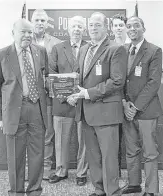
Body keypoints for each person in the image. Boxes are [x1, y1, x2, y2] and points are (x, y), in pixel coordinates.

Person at [67, 12, 127, 196]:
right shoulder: (85, 49)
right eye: (91, 25)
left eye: (97, 25)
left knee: (109, 156)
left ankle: (112, 191)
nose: (93, 28)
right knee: (93, 155)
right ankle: (99, 189)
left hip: (106, 112)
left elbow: (117, 81)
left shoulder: (116, 49)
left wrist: (88, 93)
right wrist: (74, 94)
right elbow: (80, 78)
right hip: (86, 112)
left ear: (106, 27)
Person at [0, 18, 48, 196]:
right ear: (13, 33)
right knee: (15, 155)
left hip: (37, 108)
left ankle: (35, 190)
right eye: (23, 31)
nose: (27, 35)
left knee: (37, 154)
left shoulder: (41, 51)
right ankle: (16, 191)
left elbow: (45, 79)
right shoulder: (1, 54)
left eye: (30, 32)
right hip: (14, 111)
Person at [121, 16, 163, 196]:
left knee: (150, 153)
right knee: (131, 151)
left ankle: (151, 190)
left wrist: (135, 107)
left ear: (143, 28)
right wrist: (124, 103)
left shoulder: (154, 50)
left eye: (136, 26)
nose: (132, 29)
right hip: (125, 110)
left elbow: (154, 83)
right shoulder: (121, 50)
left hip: (146, 110)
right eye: (129, 26)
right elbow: (118, 80)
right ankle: (134, 184)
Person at [48, 15, 88, 186]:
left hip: (85, 102)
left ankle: (81, 173)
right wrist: (66, 96)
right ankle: (61, 171)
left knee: (84, 141)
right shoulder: (57, 48)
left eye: (80, 26)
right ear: (68, 29)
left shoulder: (91, 47)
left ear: (84, 30)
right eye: (74, 26)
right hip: (63, 102)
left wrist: (79, 95)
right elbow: (51, 76)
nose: (77, 29)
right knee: (61, 141)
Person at [30, 9, 62, 179]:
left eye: (43, 20)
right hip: (28, 95)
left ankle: (46, 166)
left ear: (47, 23)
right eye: (37, 20)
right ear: (31, 20)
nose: (40, 23)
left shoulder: (56, 43)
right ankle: (32, 168)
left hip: (49, 94)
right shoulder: (24, 40)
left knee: (48, 132)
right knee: (31, 132)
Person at [110, 13, 129, 178]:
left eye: (121, 25)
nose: (118, 28)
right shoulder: (108, 47)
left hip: (132, 101)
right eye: (115, 25)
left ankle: (132, 175)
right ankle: (115, 172)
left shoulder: (132, 46)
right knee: (114, 138)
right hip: (114, 99)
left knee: (130, 139)